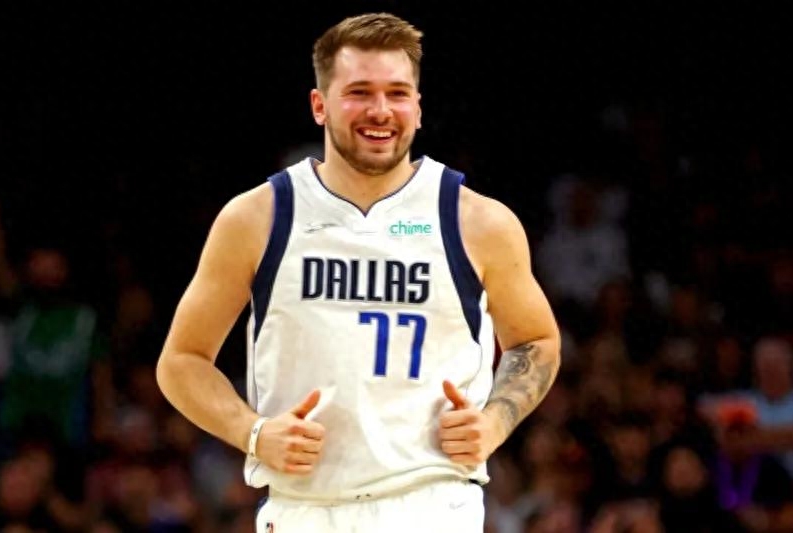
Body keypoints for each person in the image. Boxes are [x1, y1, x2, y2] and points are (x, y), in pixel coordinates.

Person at [155, 12, 561, 533]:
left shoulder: (478, 221)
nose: (380, 110)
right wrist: (252, 433)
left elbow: (536, 340)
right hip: (303, 507)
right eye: (359, 92)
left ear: (418, 108)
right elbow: (182, 361)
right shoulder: (257, 217)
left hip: (432, 504)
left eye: (397, 93)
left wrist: (495, 421)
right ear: (319, 105)